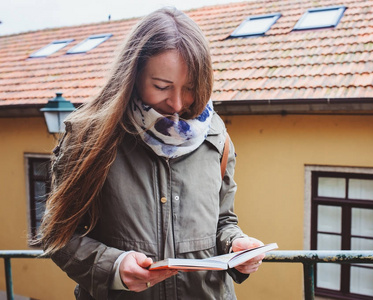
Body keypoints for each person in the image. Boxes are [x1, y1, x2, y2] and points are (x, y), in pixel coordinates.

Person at [38, 7, 265, 300]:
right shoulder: (89, 137)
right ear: (131, 76)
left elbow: (224, 221)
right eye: (161, 86)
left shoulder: (217, 136)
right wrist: (114, 267)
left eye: (191, 88)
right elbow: (58, 235)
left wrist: (237, 244)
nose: (177, 103)